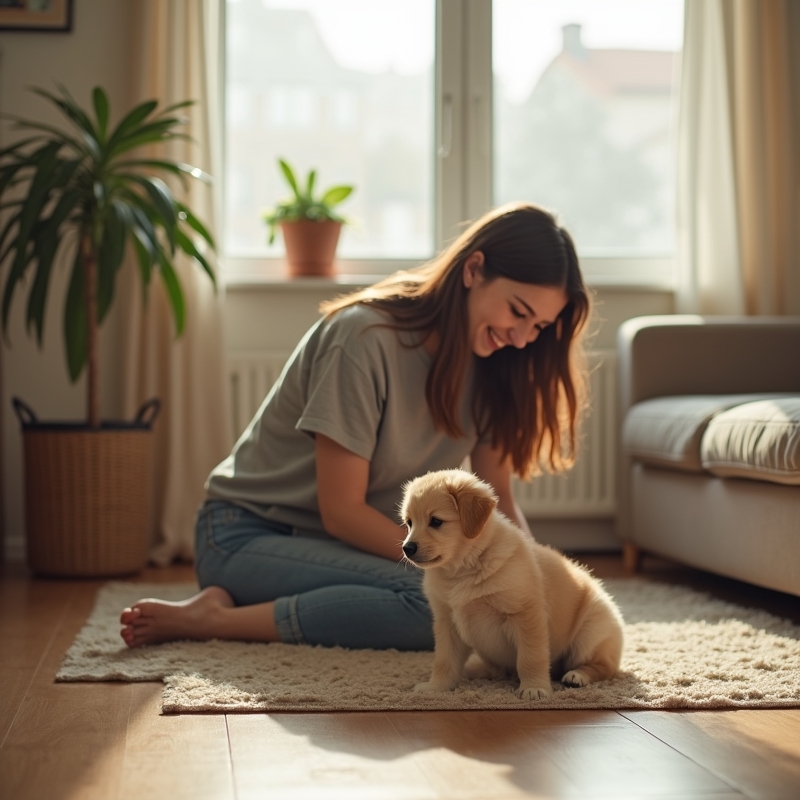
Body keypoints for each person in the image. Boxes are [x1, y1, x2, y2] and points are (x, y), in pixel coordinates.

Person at [120, 201, 591, 651]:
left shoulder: (499, 367)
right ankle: (215, 621)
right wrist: (464, 572)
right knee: (439, 607)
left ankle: (237, 603)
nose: (522, 338)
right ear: (473, 270)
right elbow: (341, 511)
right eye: (518, 312)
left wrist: (534, 584)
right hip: (246, 535)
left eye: (538, 327)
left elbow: (498, 496)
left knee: (488, 602)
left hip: (341, 548)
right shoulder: (364, 337)